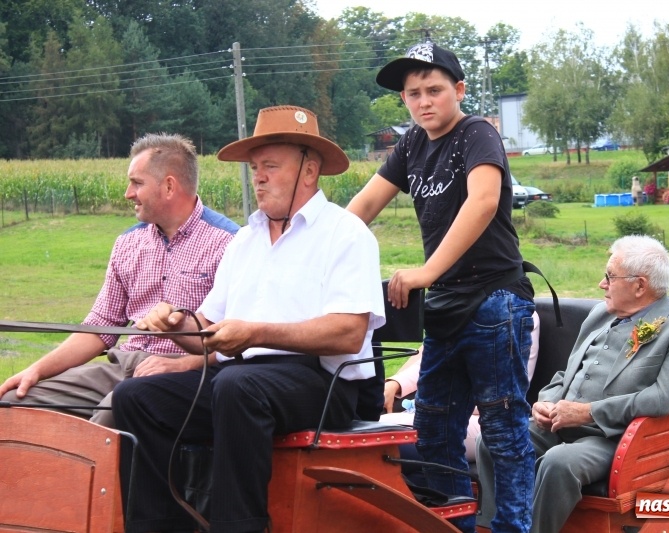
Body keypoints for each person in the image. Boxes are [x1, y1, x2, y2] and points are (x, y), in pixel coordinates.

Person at [112, 105, 385, 533]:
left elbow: (349, 334)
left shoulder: (346, 234)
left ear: (309, 170)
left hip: (322, 385)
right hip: (238, 381)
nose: (257, 177)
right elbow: (207, 332)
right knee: (135, 396)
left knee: (238, 387)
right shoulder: (245, 240)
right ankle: (158, 526)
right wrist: (176, 322)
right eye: (255, 167)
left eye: (270, 167)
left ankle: (237, 526)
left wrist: (255, 333)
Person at [347, 40, 535, 533]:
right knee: (432, 427)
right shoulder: (411, 145)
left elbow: (483, 201)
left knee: (502, 429)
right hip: (448, 308)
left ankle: (513, 529)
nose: (424, 101)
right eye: (413, 94)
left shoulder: (477, 134)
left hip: (495, 299)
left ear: (459, 90)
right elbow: (360, 210)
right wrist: (320, 255)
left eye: (434, 90)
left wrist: (428, 272)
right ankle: (455, 526)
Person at [475, 235, 669, 533]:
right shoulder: (601, 313)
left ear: (640, 286)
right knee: (493, 439)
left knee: (559, 462)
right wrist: (545, 402)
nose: (602, 284)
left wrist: (588, 412)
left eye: (610, 277)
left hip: (614, 440)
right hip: (557, 426)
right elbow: (567, 372)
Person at [0, 133, 239, 427]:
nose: (128, 193)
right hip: (121, 365)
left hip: (186, 375)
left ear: (168, 186)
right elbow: (99, 327)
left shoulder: (230, 243)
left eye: (137, 183)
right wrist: (36, 370)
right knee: (12, 402)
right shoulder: (127, 243)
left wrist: (186, 363)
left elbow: (239, 340)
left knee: (107, 416)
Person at [381, 311, 540, 463]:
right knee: (369, 430)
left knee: (376, 445)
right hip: (435, 414)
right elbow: (430, 357)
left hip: (483, 420)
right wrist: (396, 383)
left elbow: (502, 397)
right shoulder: (459, 306)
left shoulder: (516, 313)